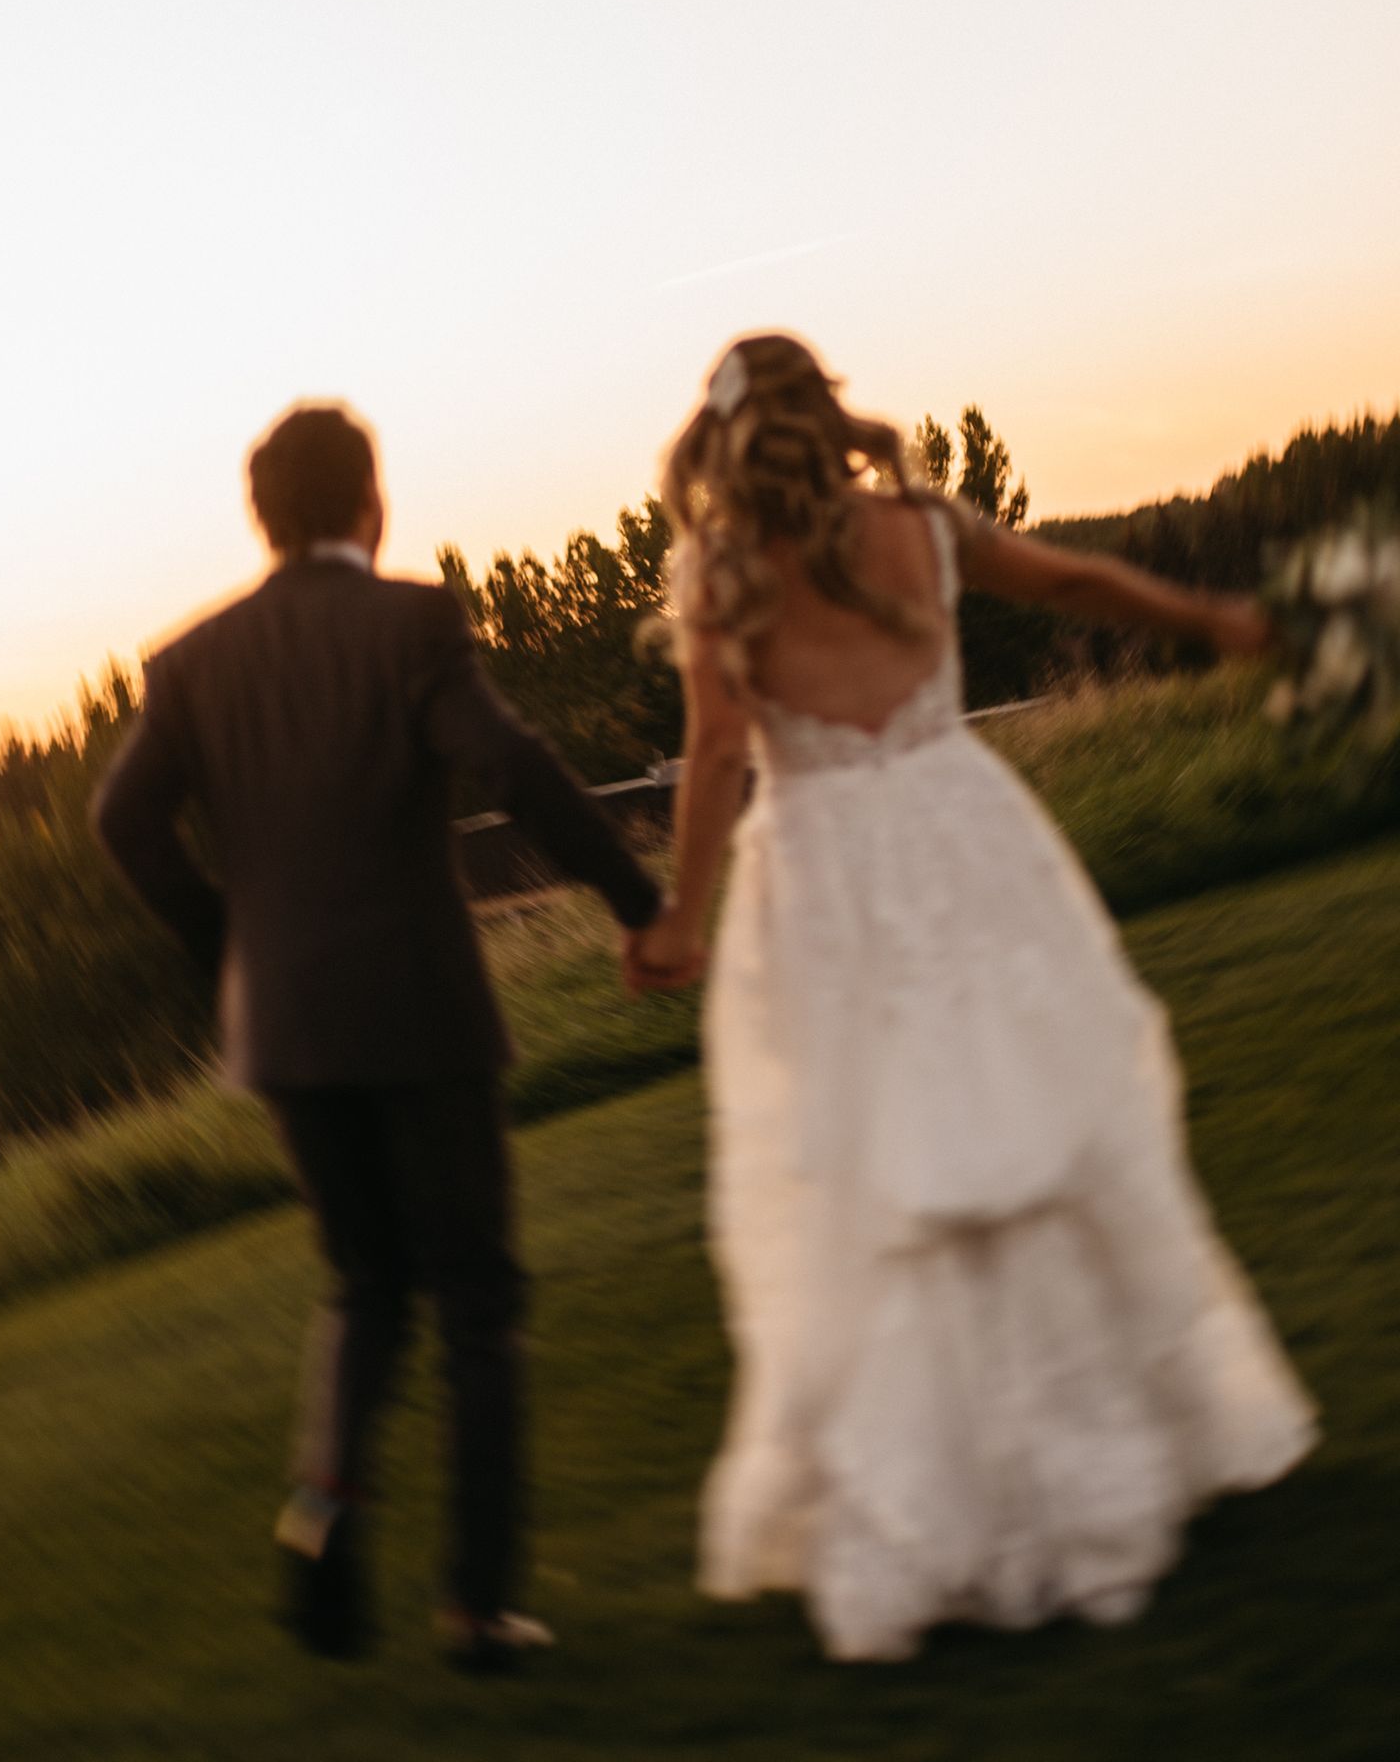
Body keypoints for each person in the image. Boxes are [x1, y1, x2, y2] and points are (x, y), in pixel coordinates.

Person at [628, 335, 1315, 1663]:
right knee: (1039, 1124)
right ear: (831, 416)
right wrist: (1212, 621)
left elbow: (718, 754)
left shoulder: (719, 578)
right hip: (964, 837)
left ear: (723, 440)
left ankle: (944, 1511)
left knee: (877, 1173)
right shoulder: (924, 526)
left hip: (823, 874)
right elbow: (1078, 576)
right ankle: (1113, 1456)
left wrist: (681, 913)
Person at [93, 402, 663, 1671]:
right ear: (371, 502)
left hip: (286, 1029)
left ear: (265, 517)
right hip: (418, 1008)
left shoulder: (192, 662)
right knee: (475, 1302)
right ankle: (475, 1603)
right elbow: (508, 765)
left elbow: (120, 821)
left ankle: (322, 1511)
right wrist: (638, 900)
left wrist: (225, 944)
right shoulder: (409, 621)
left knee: (364, 1286)